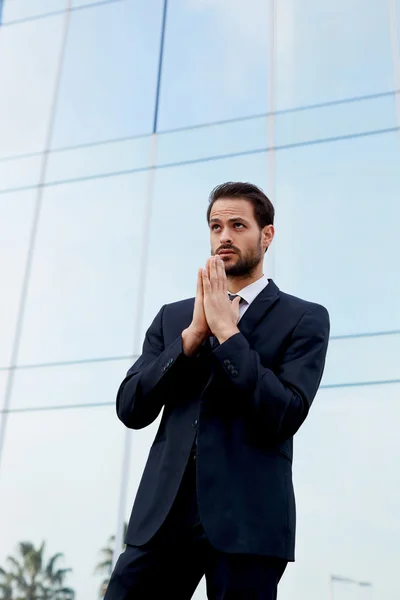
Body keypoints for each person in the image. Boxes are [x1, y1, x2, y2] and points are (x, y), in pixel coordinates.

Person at [105, 182, 330, 599]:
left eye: (237, 225)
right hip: (163, 516)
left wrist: (227, 332)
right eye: (215, 226)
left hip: (249, 521)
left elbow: (286, 413)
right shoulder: (173, 319)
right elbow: (131, 407)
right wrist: (191, 338)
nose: (223, 236)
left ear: (267, 235)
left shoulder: (305, 318)